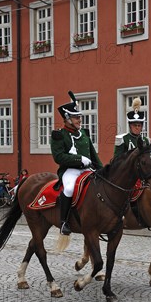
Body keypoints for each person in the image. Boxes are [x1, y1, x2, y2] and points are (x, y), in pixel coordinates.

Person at [50, 91, 102, 235]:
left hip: (88, 169)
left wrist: (103, 171)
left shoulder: (84, 133)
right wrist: (79, 159)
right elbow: (58, 157)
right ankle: (64, 222)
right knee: (69, 188)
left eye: (79, 116)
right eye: (76, 117)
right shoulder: (59, 135)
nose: (79, 119)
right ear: (67, 118)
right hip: (70, 171)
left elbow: (93, 155)